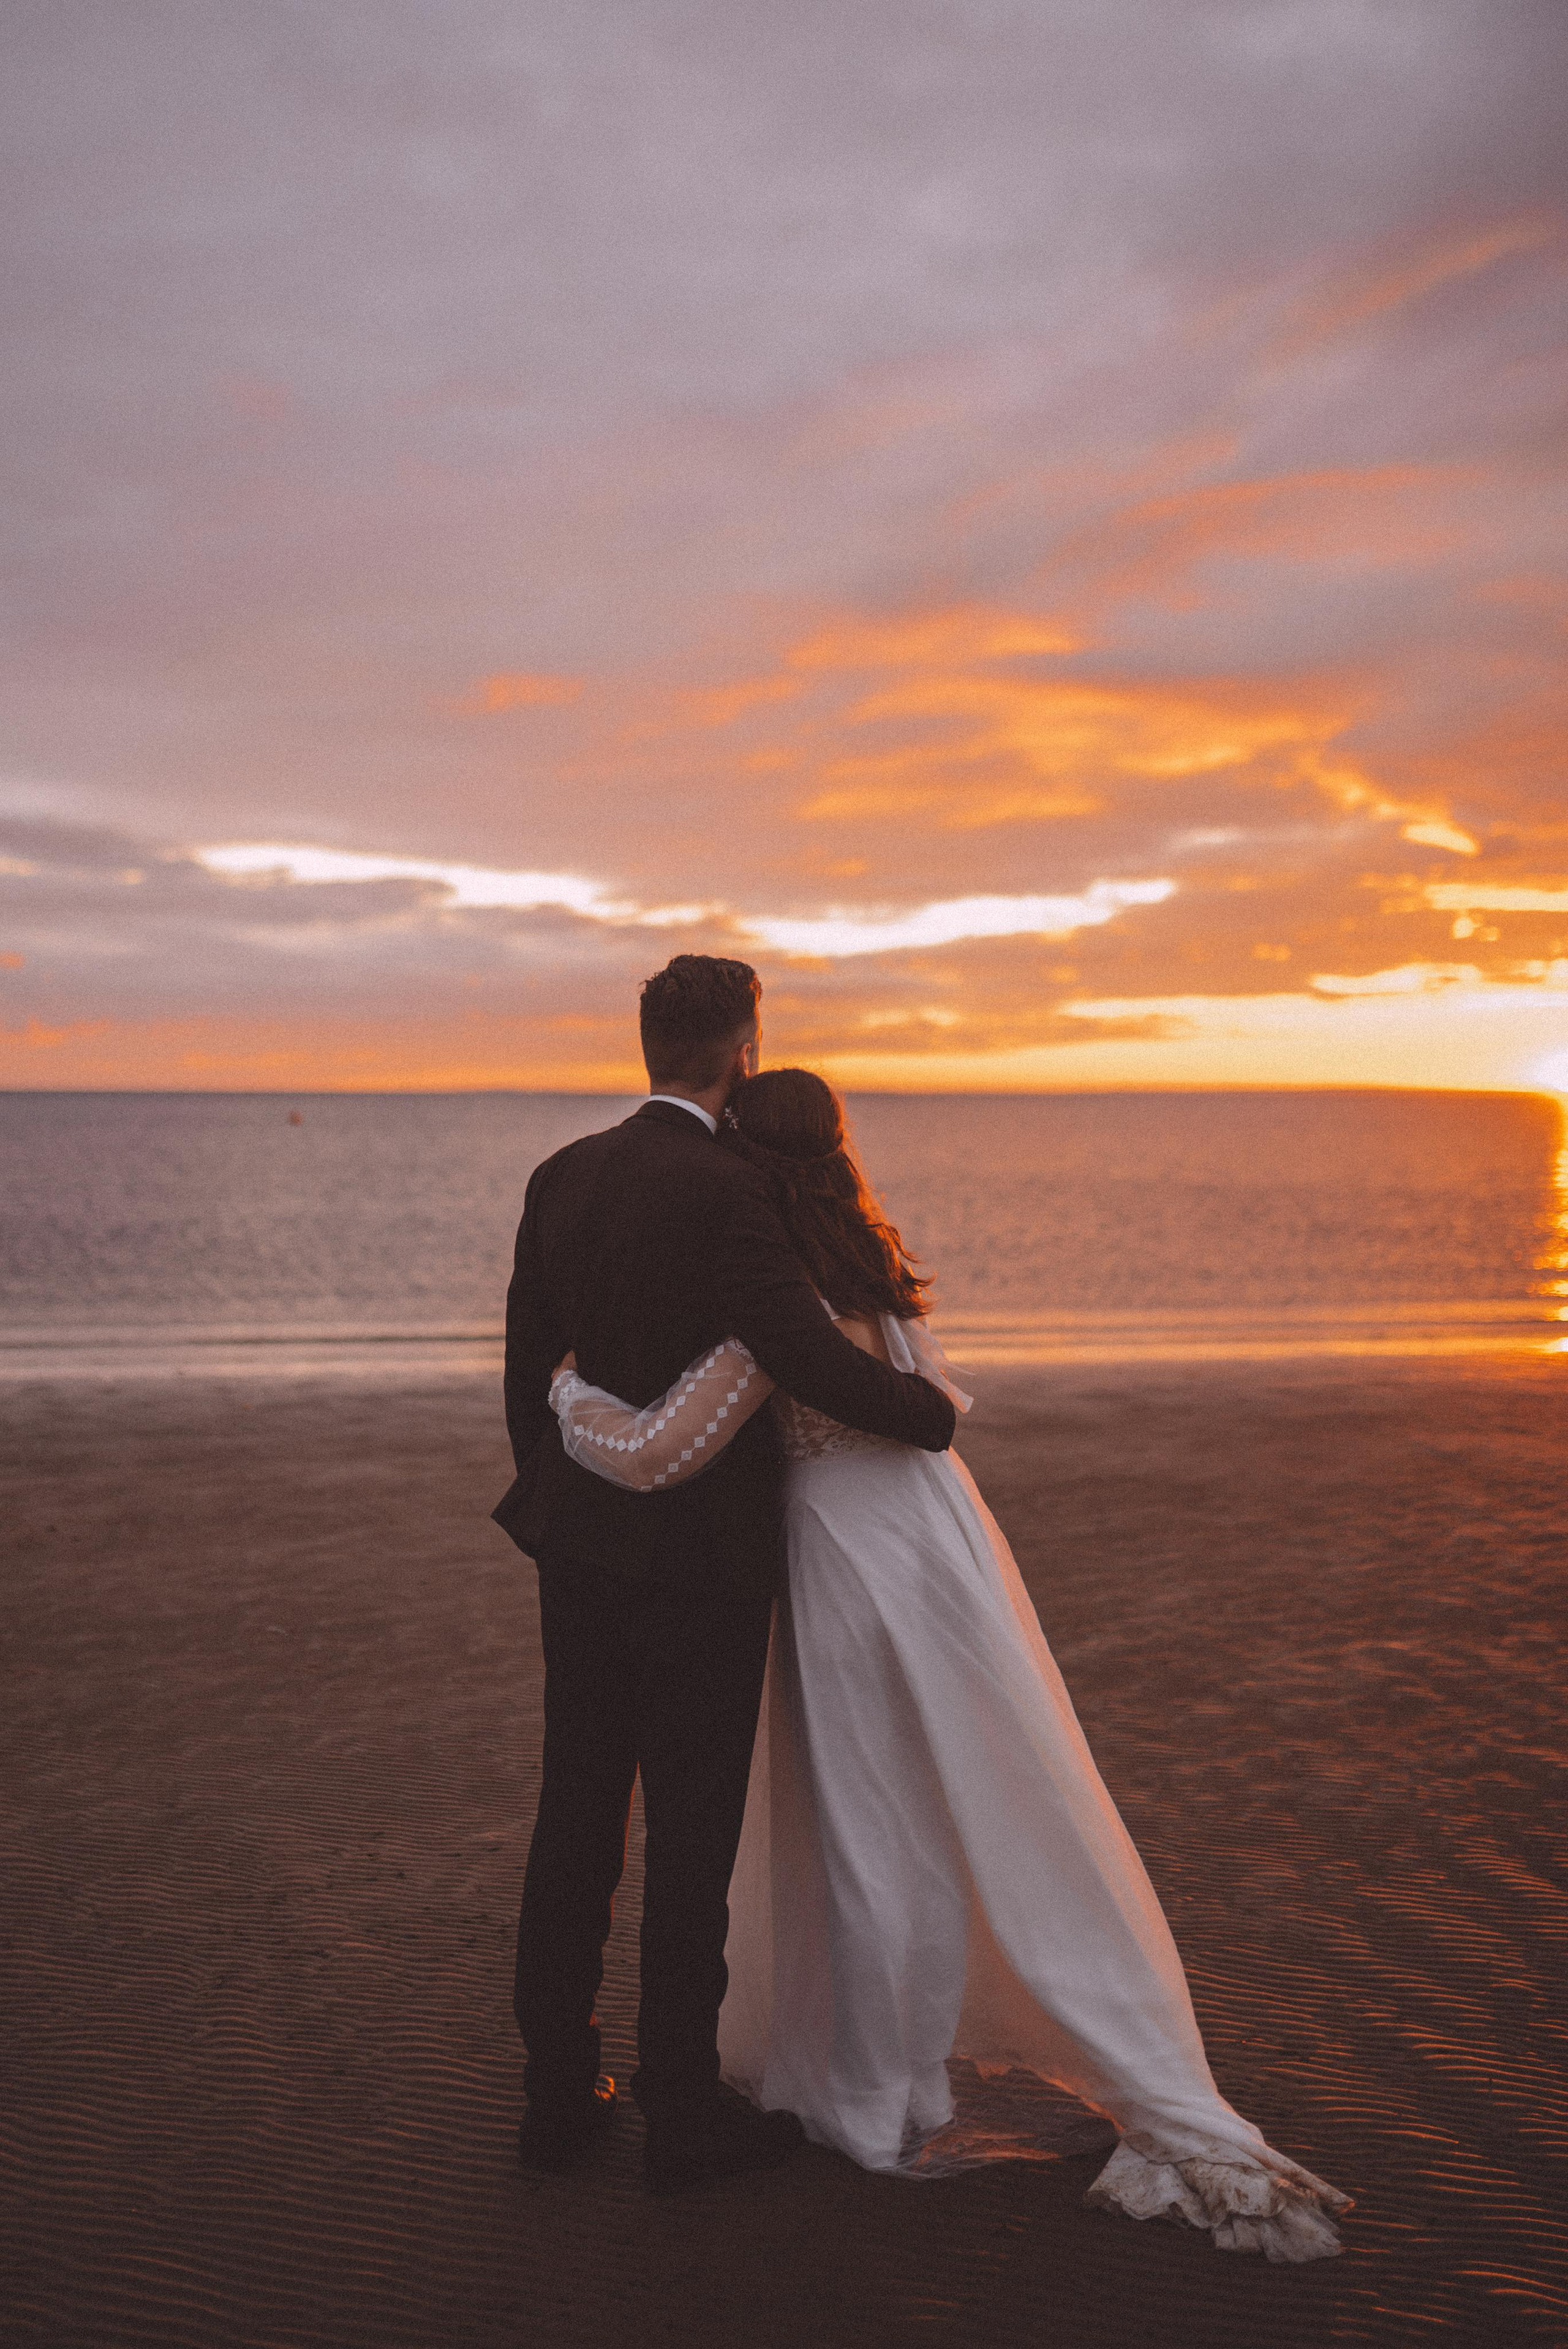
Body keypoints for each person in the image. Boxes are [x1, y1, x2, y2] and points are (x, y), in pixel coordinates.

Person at [548, 1066, 1352, 2261]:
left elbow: (672, 1439)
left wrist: (568, 1395)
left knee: (876, 1825)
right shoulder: (870, 1254)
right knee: (981, 1793)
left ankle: (886, 2086)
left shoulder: (769, 1285)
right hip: (940, 1544)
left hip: (846, 1556)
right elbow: (924, 1404)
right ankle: (998, 2044)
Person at [493, 958, 957, 2193]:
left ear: (648, 1044)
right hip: (699, 1563)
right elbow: (796, 1349)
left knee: (576, 1810)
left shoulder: (563, 1173)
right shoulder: (733, 1184)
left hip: (581, 1546)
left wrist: (556, 1500)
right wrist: (925, 1412)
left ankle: (555, 2096)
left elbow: (529, 1364)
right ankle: (681, 2109)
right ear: (744, 1053)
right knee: (691, 1832)